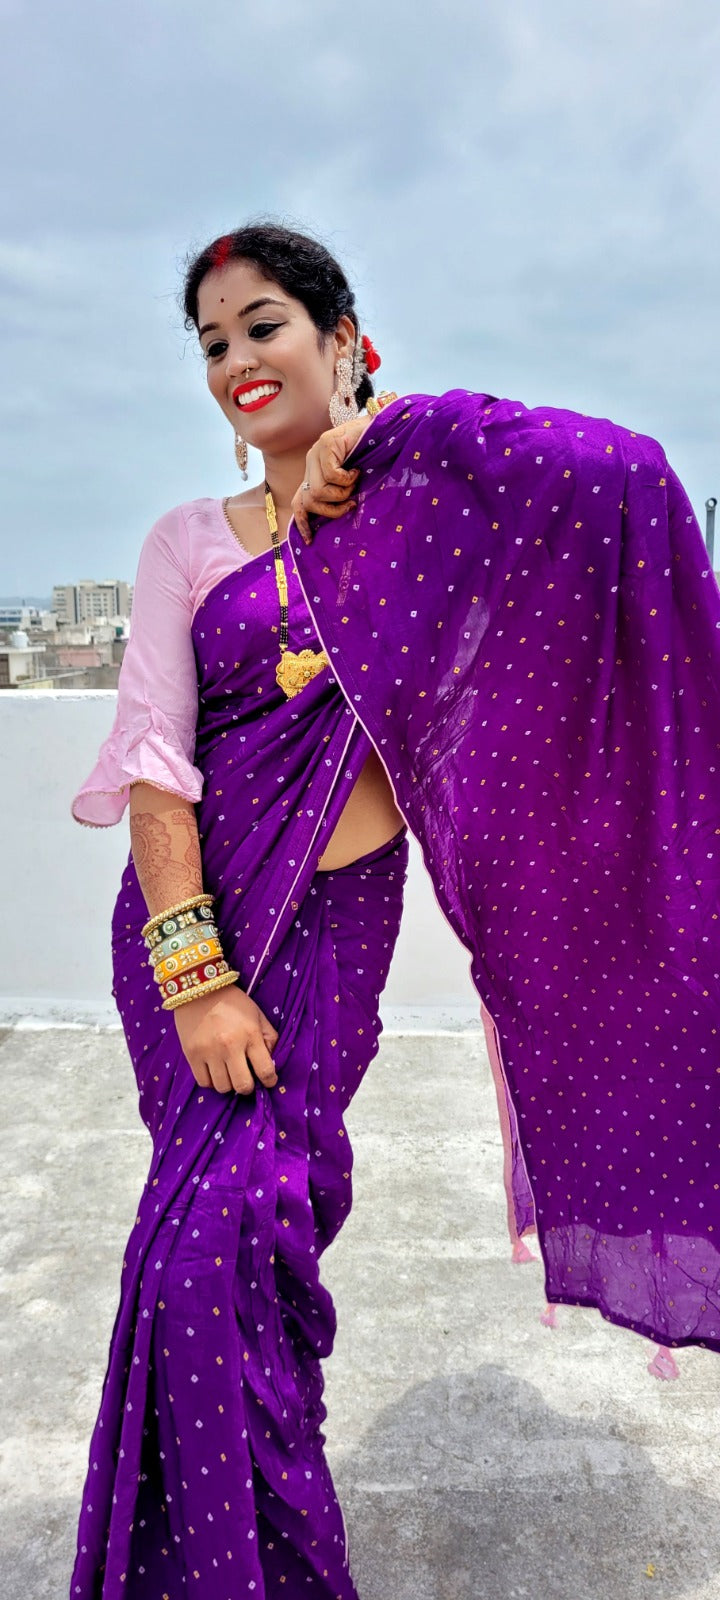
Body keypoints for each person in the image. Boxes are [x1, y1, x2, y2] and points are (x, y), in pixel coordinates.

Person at [70, 219, 720, 1599]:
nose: (237, 357)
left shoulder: (422, 519)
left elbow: (623, 474)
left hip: (330, 942)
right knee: (196, 1265)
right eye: (212, 341)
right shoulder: (187, 543)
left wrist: (401, 430)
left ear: (342, 340)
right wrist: (196, 979)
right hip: (197, 951)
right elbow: (155, 767)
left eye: (263, 325)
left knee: (244, 1262)